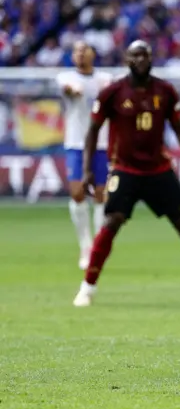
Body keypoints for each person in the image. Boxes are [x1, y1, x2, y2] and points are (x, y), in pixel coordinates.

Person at [72, 40, 180, 308]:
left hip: (159, 169)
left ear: (151, 59)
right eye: (135, 56)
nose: (140, 60)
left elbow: (179, 128)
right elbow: (93, 132)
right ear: (126, 59)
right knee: (111, 223)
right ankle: (87, 287)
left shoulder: (165, 91)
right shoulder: (112, 92)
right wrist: (87, 170)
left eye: (145, 55)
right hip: (124, 169)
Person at [56, 41, 112, 269]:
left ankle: (97, 248)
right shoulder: (66, 77)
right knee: (77, 192)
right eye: (76, 51)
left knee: (100, 195)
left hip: (101, 144)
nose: (79, 54)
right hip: (76, 144)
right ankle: (85, 246)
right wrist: (74, 91)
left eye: (83, 50)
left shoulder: (106, 79)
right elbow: (68, 89)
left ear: (93, 54)